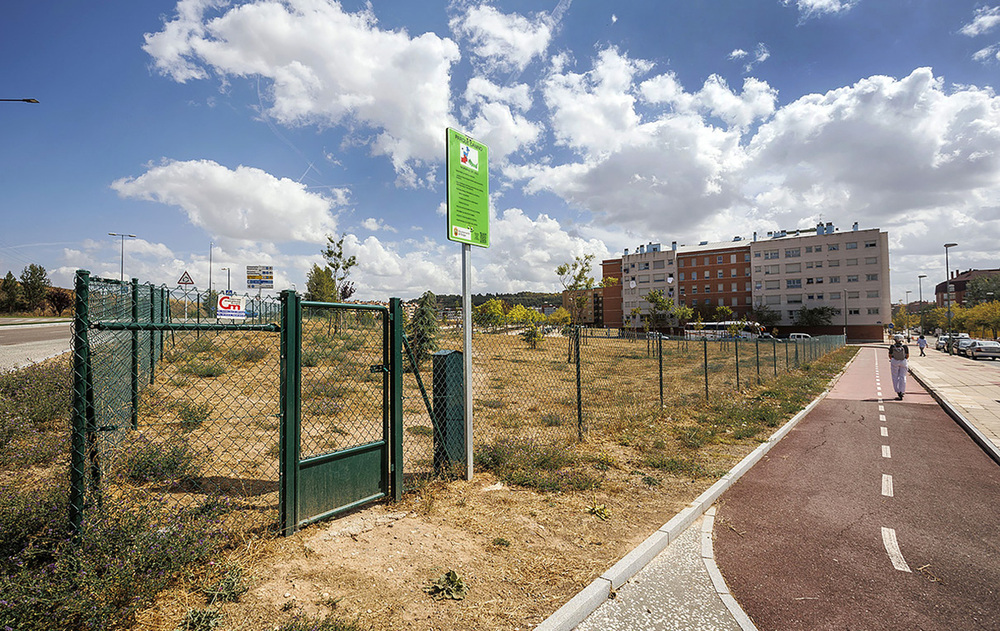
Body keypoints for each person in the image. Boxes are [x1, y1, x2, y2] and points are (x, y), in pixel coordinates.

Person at [888, 334, 909, 400]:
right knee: (903, 376)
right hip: (903, 361)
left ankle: (898, 391)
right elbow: (907, 355)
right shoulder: (905, 347)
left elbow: (890, 355)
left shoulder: (892, 346)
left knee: (895, 376)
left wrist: (892, 359)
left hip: (894, 361)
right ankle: (902, 391)